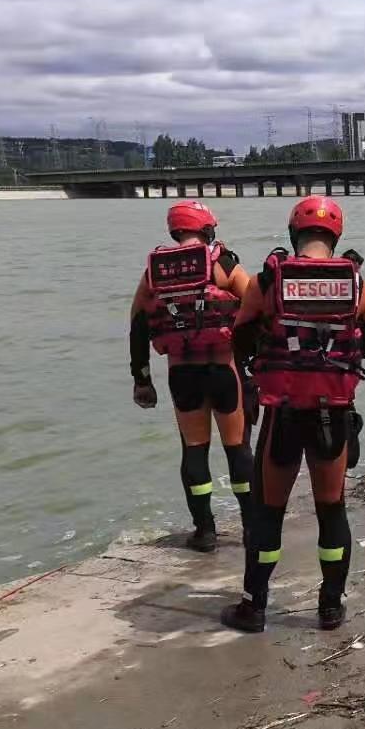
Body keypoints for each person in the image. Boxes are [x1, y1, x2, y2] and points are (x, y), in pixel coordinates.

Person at [221, 196, 365, 633]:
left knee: (269, 511)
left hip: (283, 414)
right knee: (332, 509)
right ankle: (329, 607)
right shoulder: (358, 283)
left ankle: (255, 607)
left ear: (294, 233)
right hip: (334, 415)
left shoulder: (268, 281)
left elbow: (242, 337)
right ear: (336, 235)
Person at [130, 201, 255, 553]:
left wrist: (141, 377)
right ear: (207, 228)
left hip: (181, 374)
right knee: (237, 450)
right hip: (223, 370)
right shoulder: (222, 262)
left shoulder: (155, 271)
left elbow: (138, 323)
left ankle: (204, 531)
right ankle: (250, 527)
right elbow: (256, 306)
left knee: (194, 450)